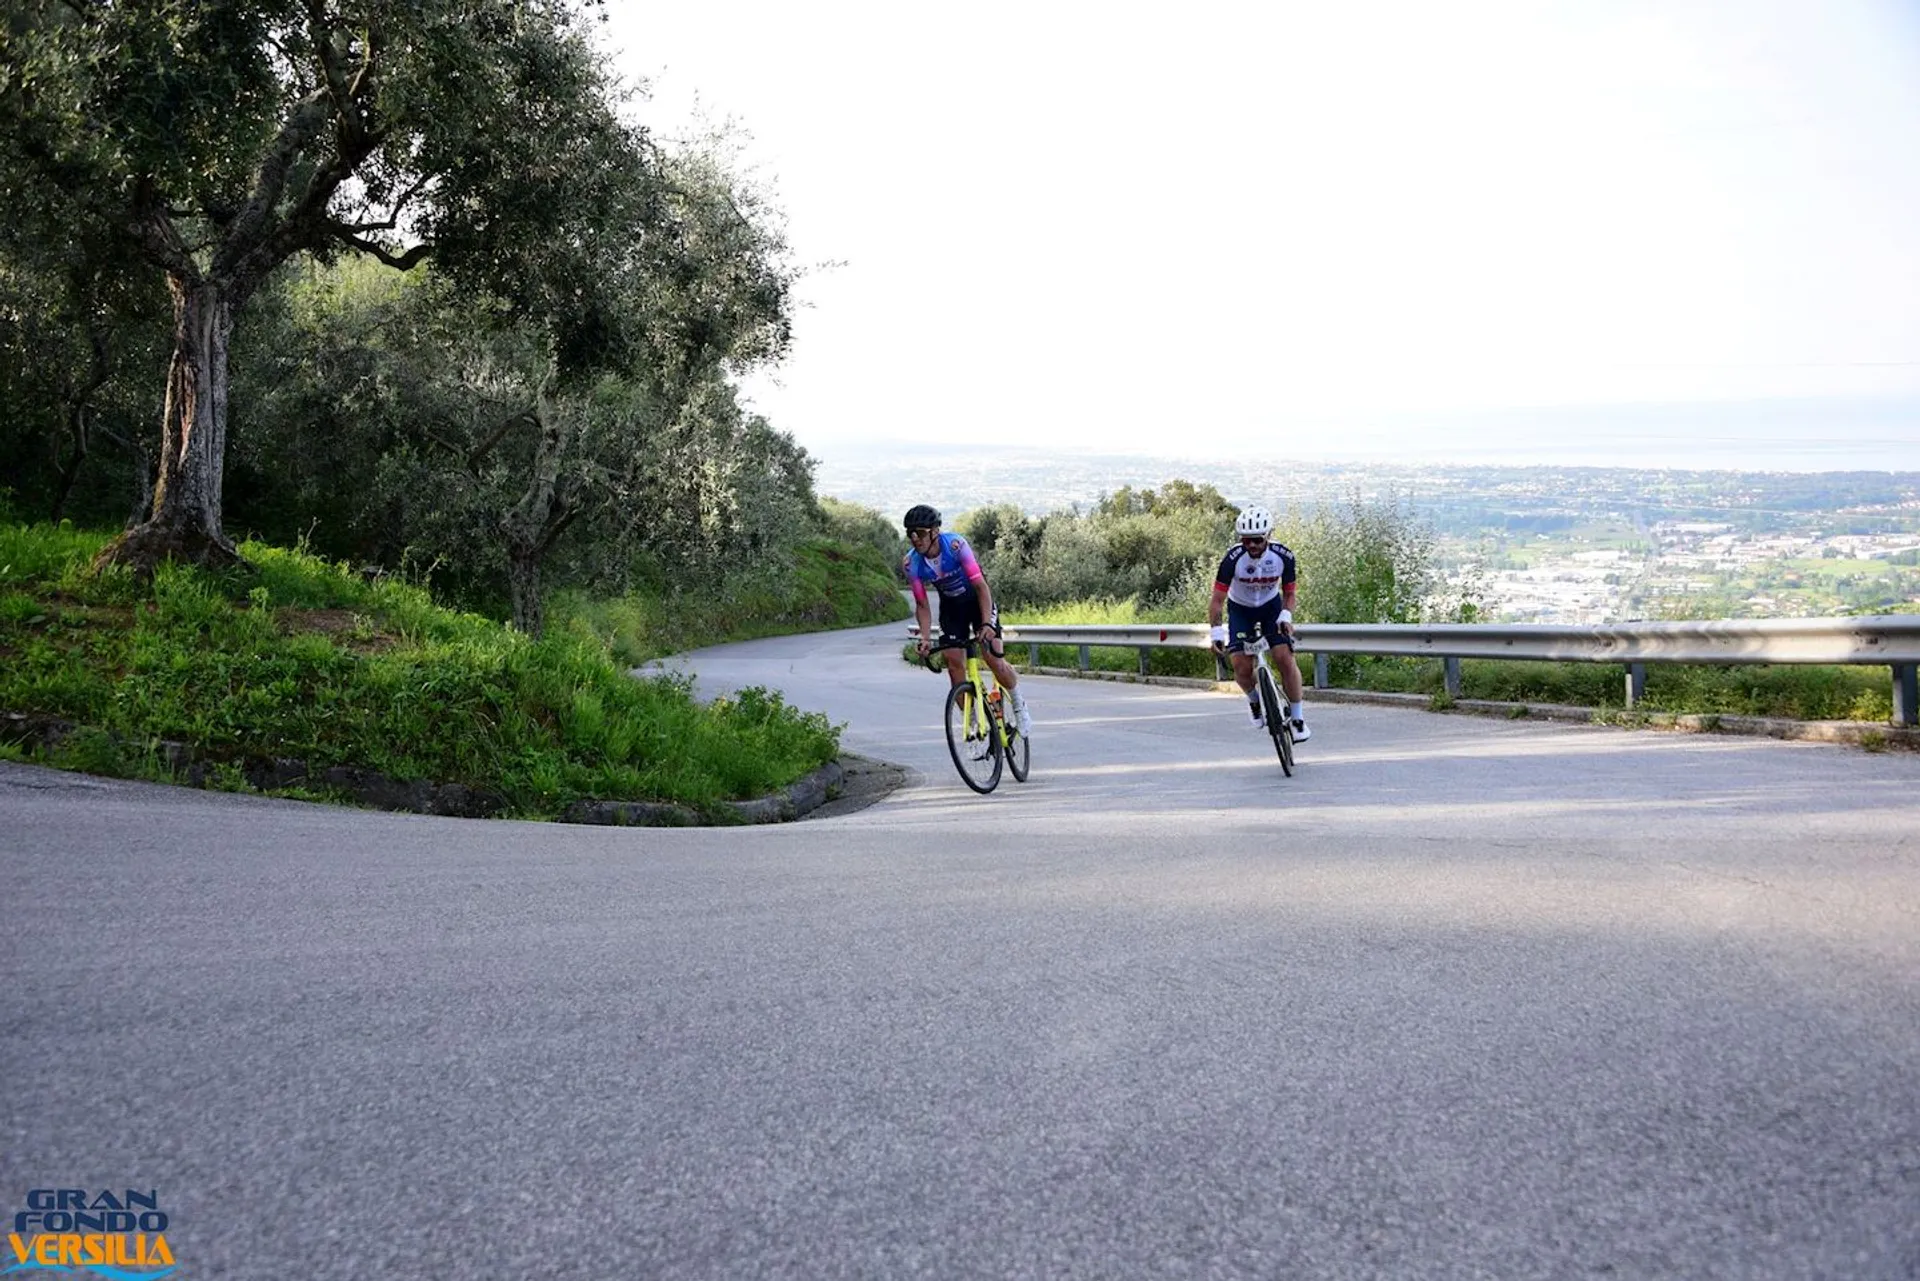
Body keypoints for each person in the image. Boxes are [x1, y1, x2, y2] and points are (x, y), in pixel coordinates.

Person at [901, 504, 1031, 735]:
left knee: (994, 660)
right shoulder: (912, 563)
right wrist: (924, 637)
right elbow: (922, 604)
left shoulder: (955, 546)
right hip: (951, 608)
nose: (915, 539)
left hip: (977, 601)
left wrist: (987, 624)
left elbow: (981, 587)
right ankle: (972, 724)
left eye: (919, 533)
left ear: (934, 532)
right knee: (953, 663)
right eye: (910, 533)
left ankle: (1019, 703)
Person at [1207, 505, 1311, 741]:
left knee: (1285, 659)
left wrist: (1286, 615)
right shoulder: (1232, 559)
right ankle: (1254, 701)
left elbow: (1290, 593)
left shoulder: (1283, 556)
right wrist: (1216, 633)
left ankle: (1297, 718)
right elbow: (1216, 600)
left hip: (1271, 608)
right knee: (1242, 668)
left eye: (1257, 540)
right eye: (1246, 540)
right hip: (1240, 610)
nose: (1251, 545)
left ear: (1268, 536)